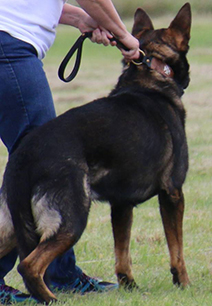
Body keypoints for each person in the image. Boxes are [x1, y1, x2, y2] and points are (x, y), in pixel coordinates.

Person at [0, 0, 139, 304]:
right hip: (8, 47)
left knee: (32, 161)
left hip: (7, 41)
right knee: (44, 162)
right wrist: (124, 35)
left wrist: (79, 17)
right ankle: (59, 276)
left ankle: (59, 274)